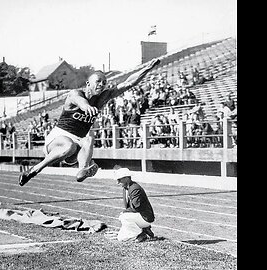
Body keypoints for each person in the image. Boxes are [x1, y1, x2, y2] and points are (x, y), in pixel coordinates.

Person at [18, 58, 161, 186]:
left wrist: (147, 69)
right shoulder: (75, 94)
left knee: (88, 138)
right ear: (88, 83)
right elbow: (81, 102)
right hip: (58, 139)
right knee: (69, 145)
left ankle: (82, 170)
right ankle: (34, 170)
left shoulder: (102, 98)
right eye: (98, 81)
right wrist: (87, 107)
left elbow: (128, 83)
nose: (102, 84)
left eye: (104, 82)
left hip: (77, 145)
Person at [114, 167, 155, 242]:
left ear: (126, 178)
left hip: (145, 217)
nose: (118, 182)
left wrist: (125, 212)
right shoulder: (126, 188)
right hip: (138, 216)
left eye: (119, 179)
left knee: (123, 217)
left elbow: (137, 207)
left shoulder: (135, 188)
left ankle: (141, 233)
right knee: (121, 238)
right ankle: (143, 230)